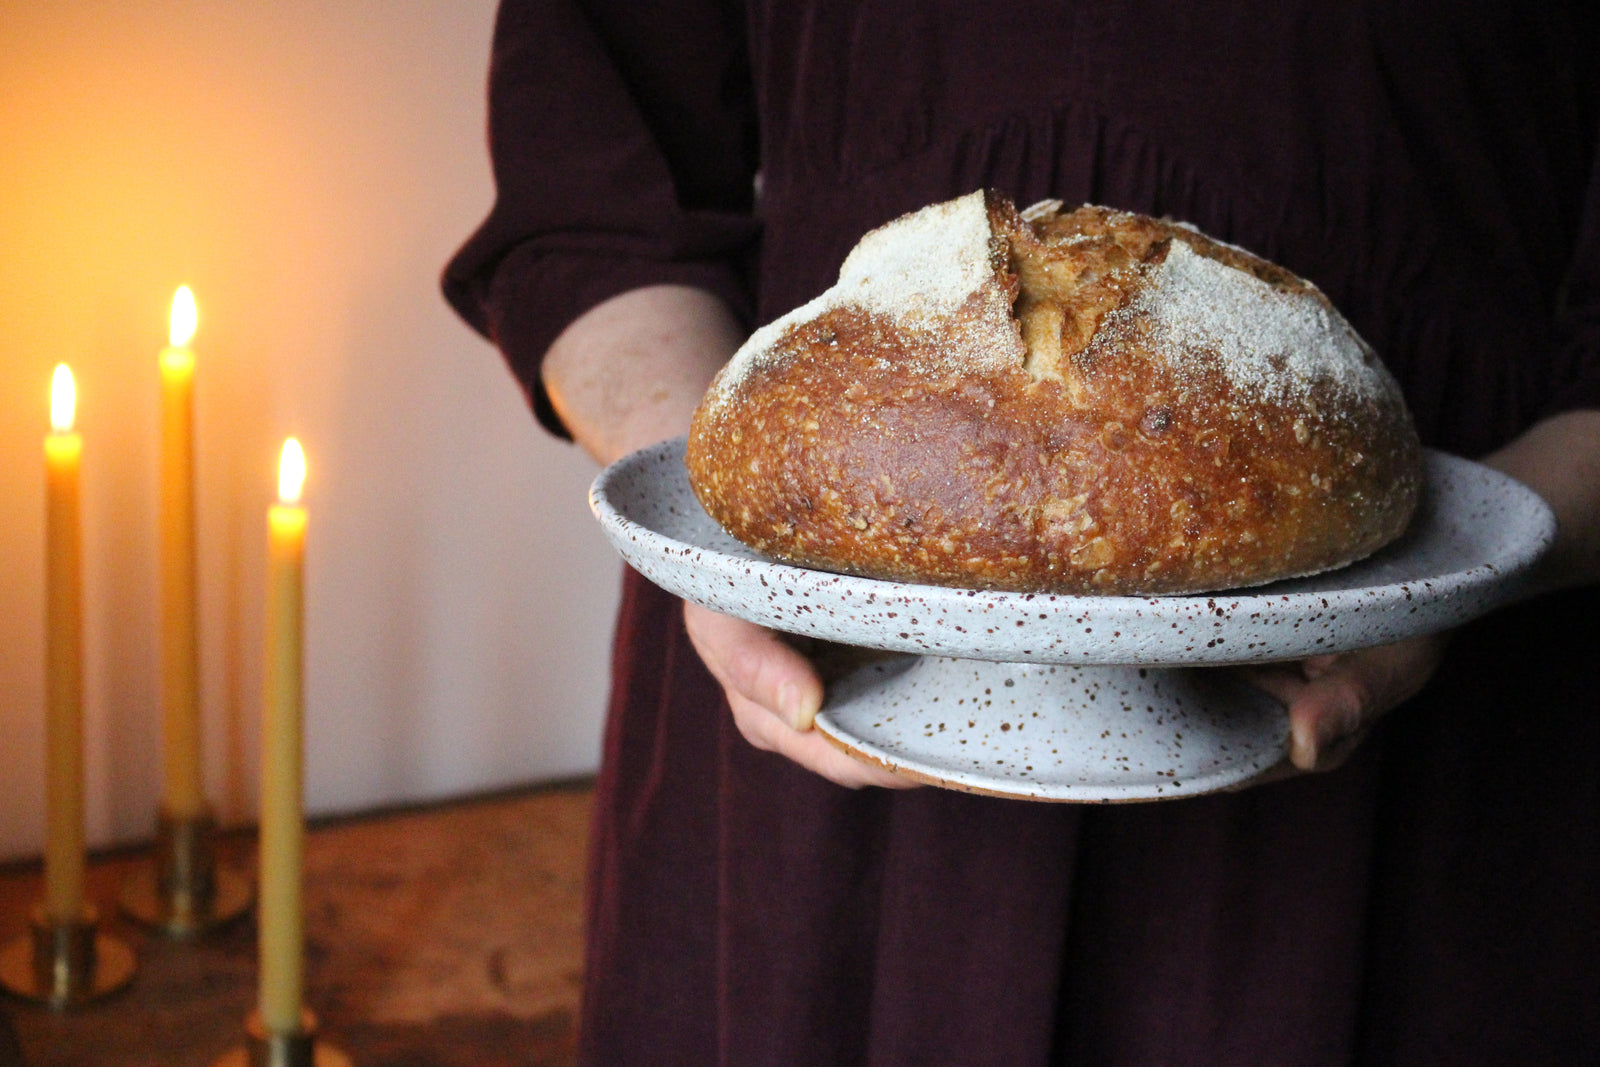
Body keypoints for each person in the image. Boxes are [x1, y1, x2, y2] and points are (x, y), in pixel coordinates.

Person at [444, 3, 1600, 1062]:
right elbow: (589, 181)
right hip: (811, 683)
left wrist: (1464, 567)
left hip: (1422, 761)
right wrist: (726, 540)